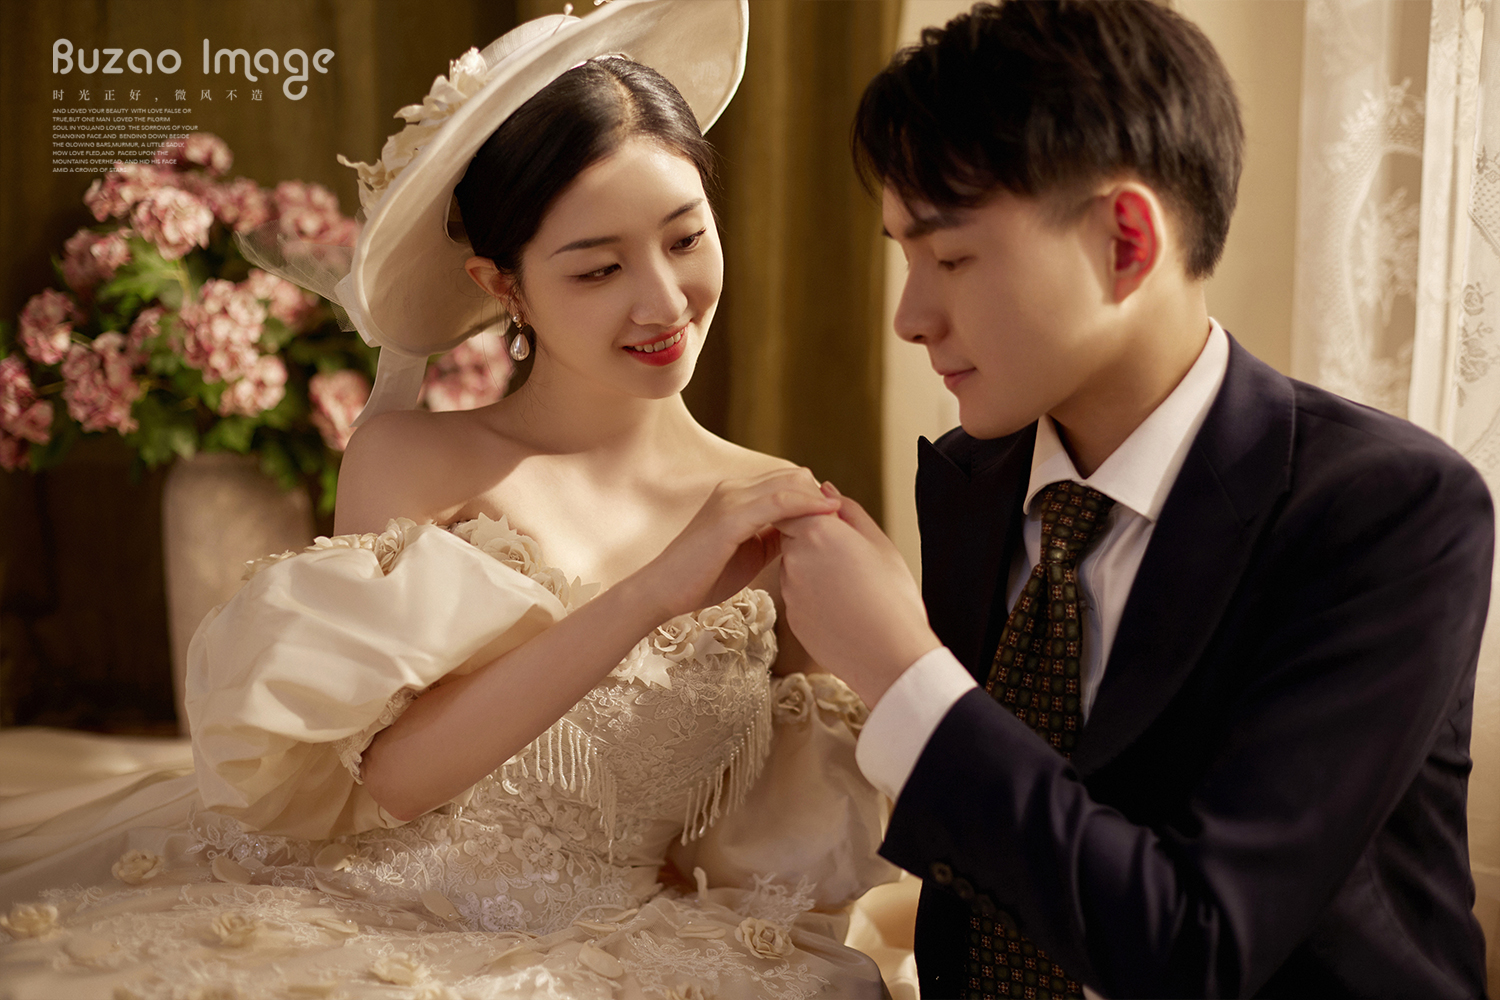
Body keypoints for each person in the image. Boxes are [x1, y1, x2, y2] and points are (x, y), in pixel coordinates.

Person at [0, 3, 898, 997]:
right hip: (362, 917)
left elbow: (795, 841)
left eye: (686, 237)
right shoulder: (416, 459)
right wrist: (653, 592)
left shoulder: (771, 508)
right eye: (599, 268)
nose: (663, 299)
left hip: (621, 953)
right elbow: (387, 780)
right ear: (502, 285)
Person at [774, 2, 1495, 998]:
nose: (910, 316)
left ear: (1125, 241)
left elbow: (1197, 950)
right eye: (904, 254)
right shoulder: (974, 480)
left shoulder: (1390, 512)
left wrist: (899, 668)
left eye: (951, 257)